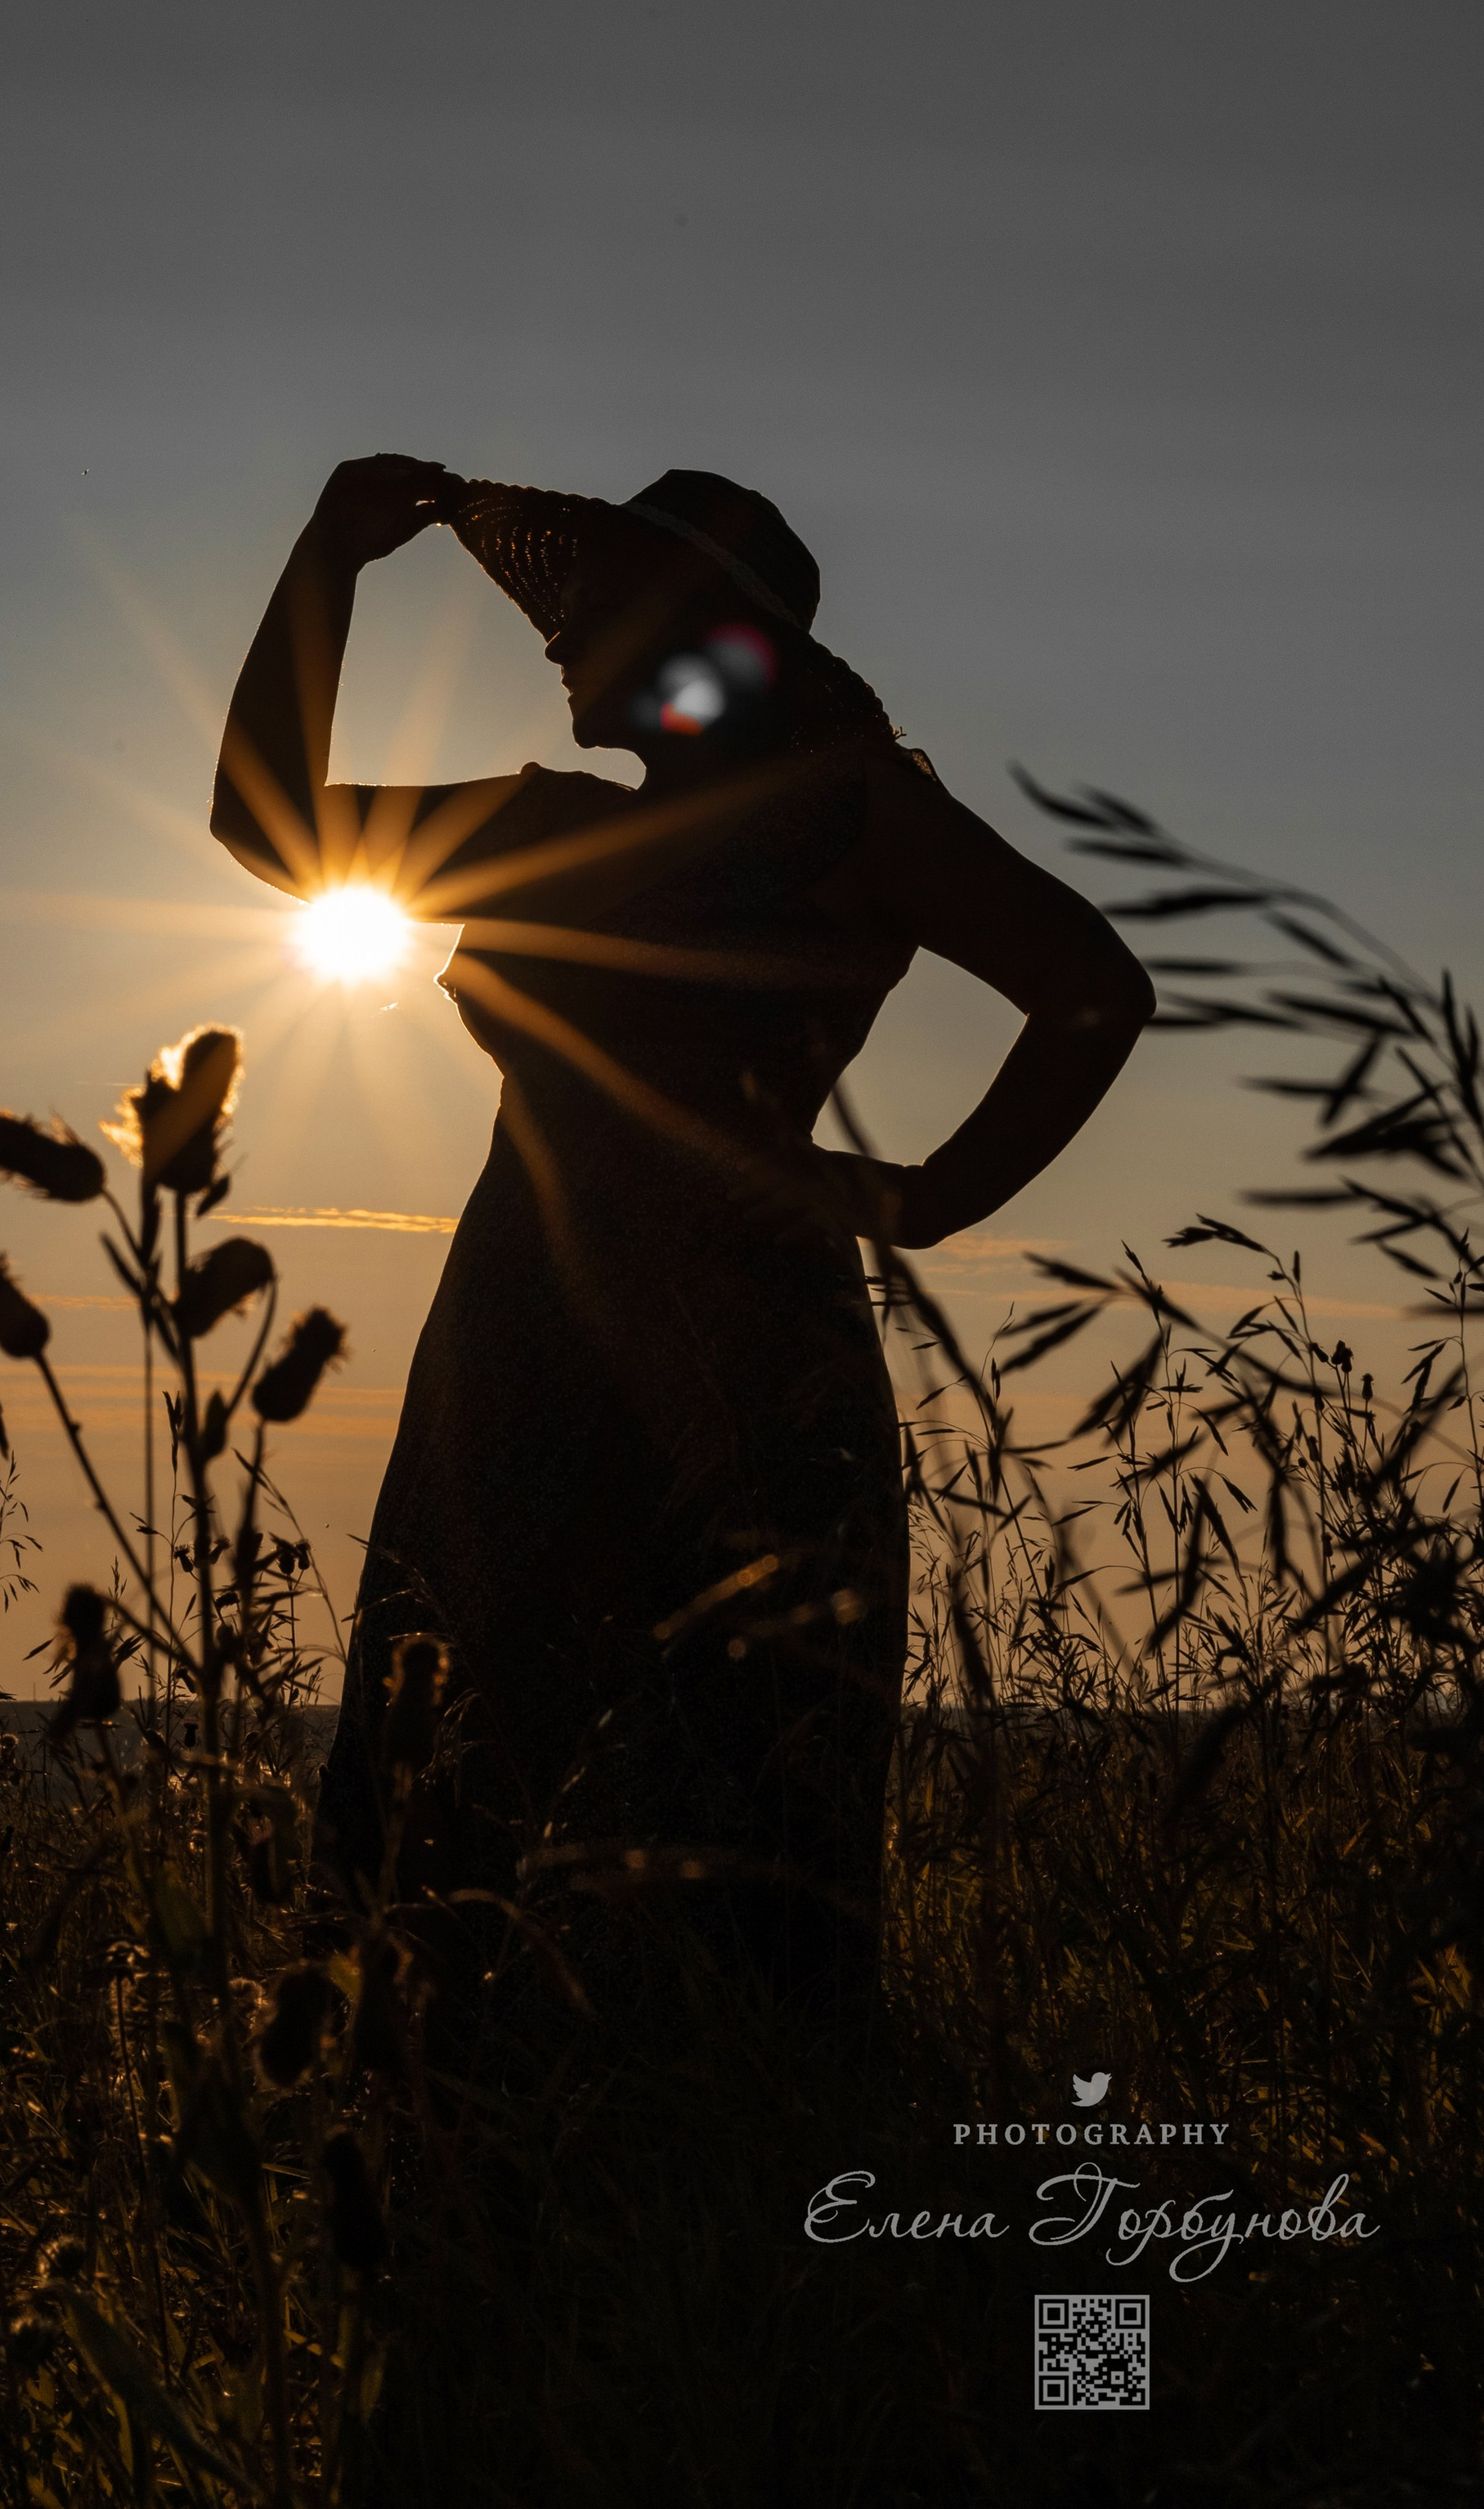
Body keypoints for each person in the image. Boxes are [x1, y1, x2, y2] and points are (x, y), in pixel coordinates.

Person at [211, 453, 1153, 2026]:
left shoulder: (854, 818)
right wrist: (330, 561)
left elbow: (1092, 991)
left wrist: (918, 1198)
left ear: (703, 639)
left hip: (740, 1346)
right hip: (521, 1332)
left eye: (594, 609)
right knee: (480, 1749)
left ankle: (728, 2179)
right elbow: (263, 820)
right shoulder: (549, 827)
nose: (559, 638)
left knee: (731, 1768)